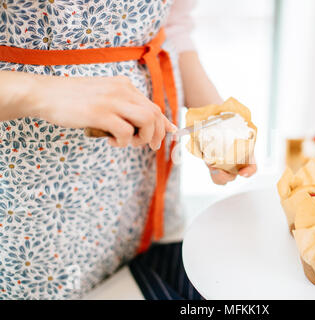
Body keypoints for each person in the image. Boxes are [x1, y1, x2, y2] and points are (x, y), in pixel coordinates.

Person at [0, 0, 256, 299]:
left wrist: (215, 118)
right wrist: (40, 92)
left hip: (143, 183)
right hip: (29, 192)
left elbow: (172, 23)